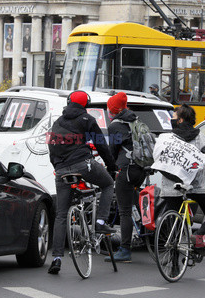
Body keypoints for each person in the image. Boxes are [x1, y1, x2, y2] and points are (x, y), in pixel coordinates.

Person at [47, 90, 118, 275]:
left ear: (69, 102)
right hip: (83, 165)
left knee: (61, 214)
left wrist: (58, 166)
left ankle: (56, 258)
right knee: (108, 184)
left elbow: (51, 147)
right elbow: (101, 145)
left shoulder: (57, 122)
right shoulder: (87, 120)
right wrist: (112, 166)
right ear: (85, 104)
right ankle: (100, 221)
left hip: (61, 170)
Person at [159, 104, 205, 256]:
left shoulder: (168, 138)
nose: (171, 119)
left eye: (174, 117)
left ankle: (174, 264)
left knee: (174, 222)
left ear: (181, 120)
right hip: (196, 186)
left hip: (172, 186)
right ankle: (198, 236)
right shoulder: (199, 137)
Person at [104, 92, 146, 262]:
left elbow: (112, 152)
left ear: (112, 110)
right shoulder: (135, 120)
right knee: (134, 201)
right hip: (141, 168)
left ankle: (124, 249)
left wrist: (109, 169)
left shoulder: (115, 126)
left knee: (124, 211)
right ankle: (147, 233)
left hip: (126, 170)